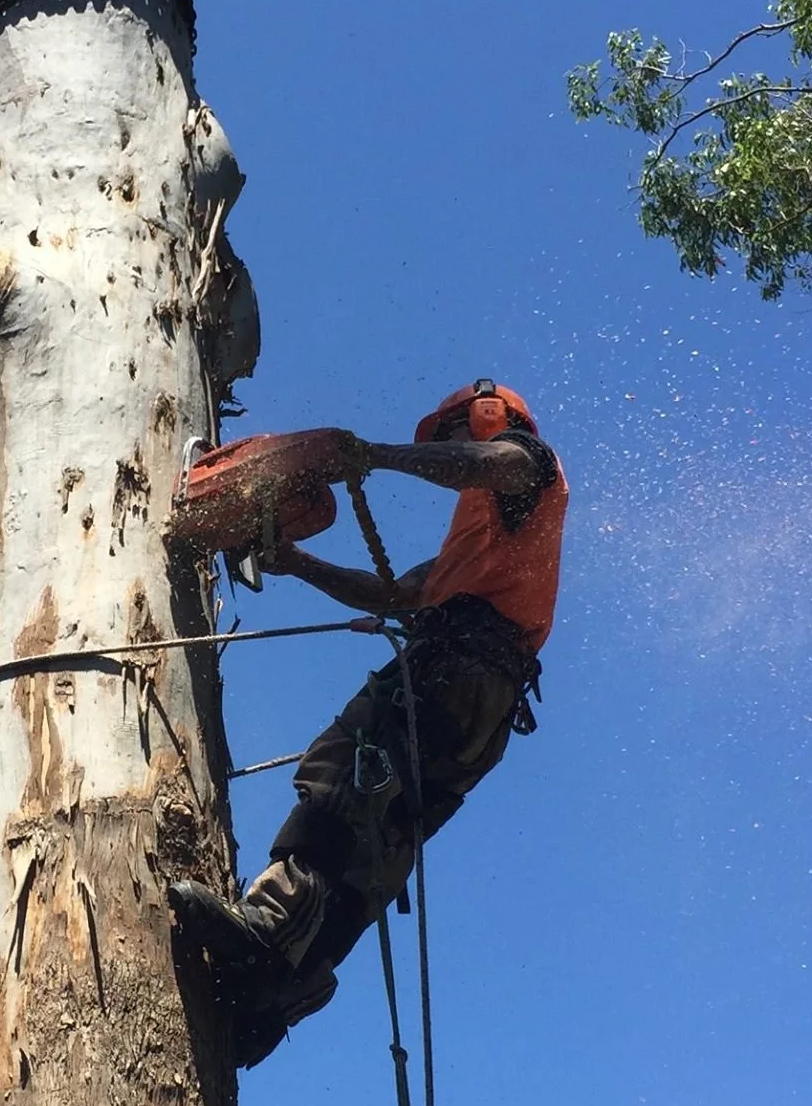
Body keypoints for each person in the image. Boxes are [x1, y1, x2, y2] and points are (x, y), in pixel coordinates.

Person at [170, 380, 568, 1066]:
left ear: (482, 417)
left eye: (448, 437)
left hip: (457, 669)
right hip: (482, 695)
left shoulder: (524, 465)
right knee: (380, 843)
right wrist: (296, 563)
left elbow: (486, 464)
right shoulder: (483, 540)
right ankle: (278, 988)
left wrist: (370, 456)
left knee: (338, 776)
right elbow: (397, 594)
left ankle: (270, 926)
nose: (443, 453)